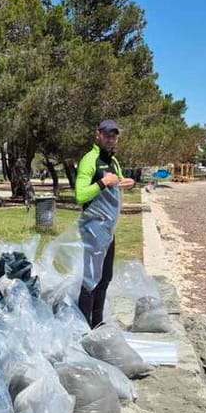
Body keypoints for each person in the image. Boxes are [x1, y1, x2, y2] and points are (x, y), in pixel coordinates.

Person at [74, 120, 135, 327]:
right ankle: (83, 328)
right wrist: (102, 183)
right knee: (91, 280)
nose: (111, 138)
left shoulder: (114, 161)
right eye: (107, 134)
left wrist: (125, 182)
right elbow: (80, 195)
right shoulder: (89, 160)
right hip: (93, 228)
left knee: (105, 277)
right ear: (98, 134)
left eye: (114, 135)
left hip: (109, 230)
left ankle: (97, 324)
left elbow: (114, 184)